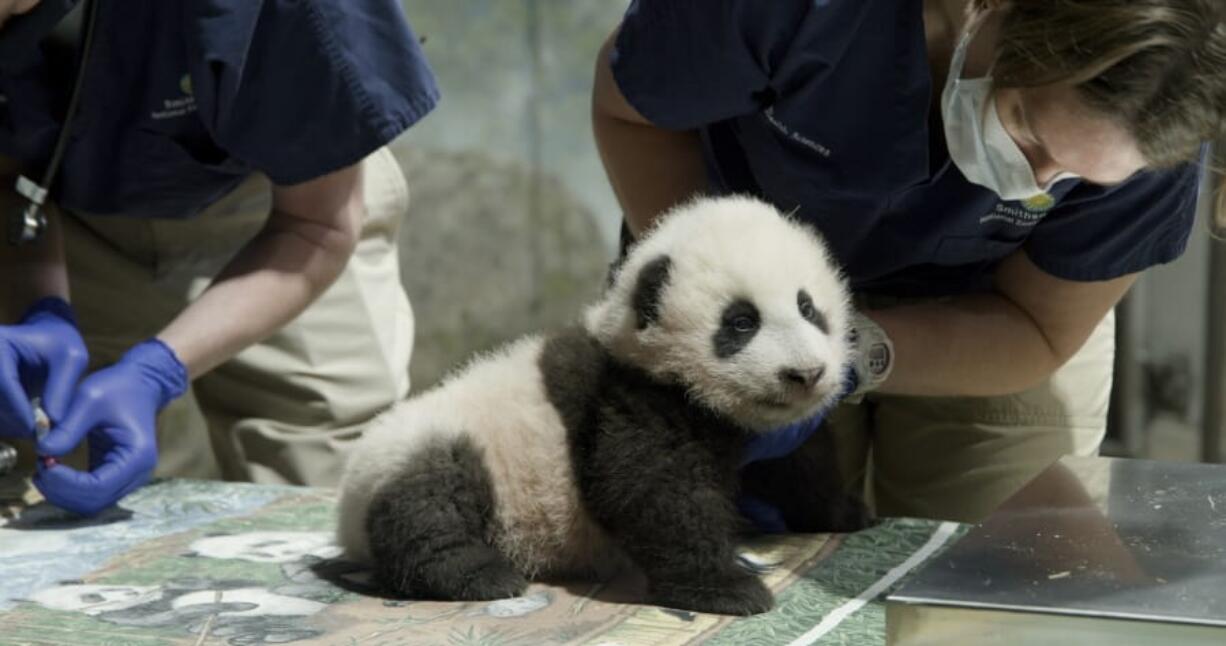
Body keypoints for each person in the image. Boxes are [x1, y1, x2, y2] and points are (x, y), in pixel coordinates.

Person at [592, 0, 1226, 523]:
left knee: (994, 587)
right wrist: (720, 303)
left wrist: (849, 354)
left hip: (992, 320)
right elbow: (633, 114)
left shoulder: (1158, 130)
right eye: (1028, 131)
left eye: (1076, 178)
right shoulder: (800, 13)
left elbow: (1037, 327)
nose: (1035, 183)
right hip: (750, 287)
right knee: (713, 544)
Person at [0, 0, 439, 515]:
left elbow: (318, 224)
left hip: (287, 206)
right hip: (67, 217)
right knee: (42, 491)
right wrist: (40, 309)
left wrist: (157, 370)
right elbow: (7, 178)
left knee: (340, 501)